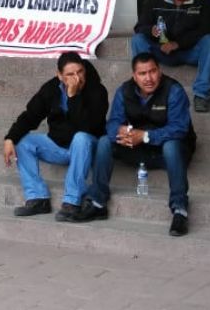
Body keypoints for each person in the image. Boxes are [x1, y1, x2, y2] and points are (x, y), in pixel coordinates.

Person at [74, 52, 196, 237]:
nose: (148, 78)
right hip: (139, 150)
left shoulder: (174, 90)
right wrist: (121, 131)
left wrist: (145, 136)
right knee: (105, 141)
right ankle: (98, 202)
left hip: (170, 154)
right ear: (134, 76)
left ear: (159, 71)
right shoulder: (125, 91)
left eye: (152, 71)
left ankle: (180, 209)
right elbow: (112, 123)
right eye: (142, 73)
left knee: (171, 145)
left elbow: (179, 128)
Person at [3, 53, 108, 221]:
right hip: (60, 145)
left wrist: (73, 97)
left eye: (80, 72)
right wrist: (10, 138)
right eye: (70, 74)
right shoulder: (51, 88)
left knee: (81, 137)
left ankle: (72, 202)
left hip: (87, 147)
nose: (77, 78)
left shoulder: (97, 90)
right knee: (23, 142)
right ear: (59, 75)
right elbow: (30, 116)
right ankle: (38, 198)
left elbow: (89, 127)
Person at [131, 0, 210, 113]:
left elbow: (208, 28)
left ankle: (202, 94)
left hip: (190, 52)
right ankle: (145, 89)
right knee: (138, 40)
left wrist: (178, 44)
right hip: (161, 51)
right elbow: (139, 27)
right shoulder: (155, 0)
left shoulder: (203, 0)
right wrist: (151, 30)